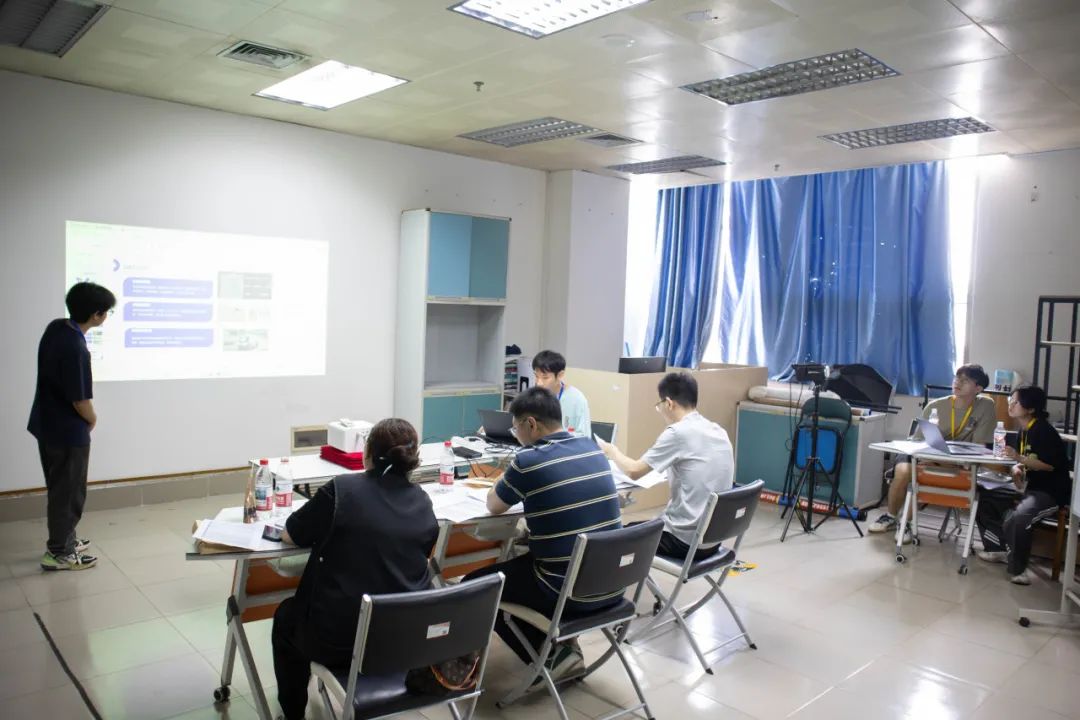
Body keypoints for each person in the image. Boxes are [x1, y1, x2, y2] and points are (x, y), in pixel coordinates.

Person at [272, 418, 439, 720]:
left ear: (367, 453)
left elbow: (292, 534)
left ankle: (293, 713)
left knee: (286, 618)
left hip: (337, 641)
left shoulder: (341, 491)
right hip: (401, 641)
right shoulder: (424, 502)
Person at [462, 387, 621, 680]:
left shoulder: (528, 460)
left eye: (515, 428)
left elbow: (494, 505)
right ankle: (560, 647)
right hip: (613, 582)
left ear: (531, 424)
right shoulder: (592, 448)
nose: (515, 435)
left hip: (566, 591)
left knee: (475, 587)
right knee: (520, 558)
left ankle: (551, 658)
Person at [599, 371, 734, 561]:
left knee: (617, 536)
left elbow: (634, 471)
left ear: (669, 403)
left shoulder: (678, 432)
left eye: (659, 405)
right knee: (640, 526)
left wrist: (611, 451)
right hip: (713, 539)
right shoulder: (718, 430)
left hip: (685, 541)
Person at [29, 281, 116, 571]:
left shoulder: (57, 328)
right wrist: (92, 419)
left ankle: (65, 540)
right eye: (106, 312)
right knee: (68, 493)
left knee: (60, 488)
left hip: (47, 424)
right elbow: (80, 400)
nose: (106, 317)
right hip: (67, 432)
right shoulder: (76, 348)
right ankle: (59, 553)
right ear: (96, 315)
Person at [868, 364, 996, 538]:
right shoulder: (936, 406)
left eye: (965, 380)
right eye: (957, 378)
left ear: (978, 388)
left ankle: (905, 523)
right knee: (904, 471)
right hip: (921, 452)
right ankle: (890, 516)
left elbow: (979, 446)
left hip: (956, 459)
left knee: (926, 474)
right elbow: (918, 442)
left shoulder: (985, 406)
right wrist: (929, 458)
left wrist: (941, 460)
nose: (958, 382)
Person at [974, 386, 1071, 585]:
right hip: (1029, 488)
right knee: (983, 497)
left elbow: (1049, 465)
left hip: (1050, 492)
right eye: (1010, 401)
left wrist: (1018, 459)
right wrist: (1016, 468)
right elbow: (1022, 462)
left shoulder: (1043, 431)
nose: (1010, 405)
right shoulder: (1023, 430)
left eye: (1015, 402)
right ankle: (997, 548)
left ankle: (1019, 570)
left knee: (1019, 517)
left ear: (1031, 408)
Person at [531, 350, 591, 437]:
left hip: (566, 445)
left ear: (560, 375)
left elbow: (585, 437)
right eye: (536, 376)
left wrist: (557, 435)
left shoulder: (577, 399)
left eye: (545, 378)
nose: (539, 383)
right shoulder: (534, 396)